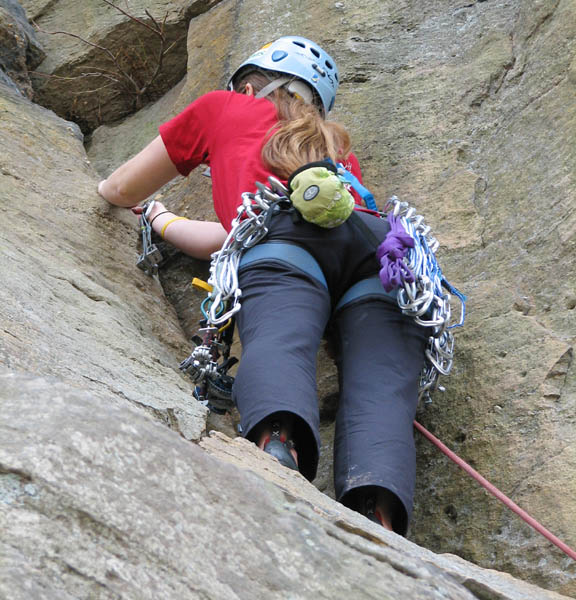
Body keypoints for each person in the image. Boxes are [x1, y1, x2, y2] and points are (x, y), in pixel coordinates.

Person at [98, 36, 427, 535]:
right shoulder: (335, 149)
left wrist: (150, 213)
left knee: (280, 337)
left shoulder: (222, 108)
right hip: (383, 253)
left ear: (250, 86)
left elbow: (125, 189)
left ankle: (278, 441)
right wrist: (169, 222)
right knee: (382, 389)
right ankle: (376, 510)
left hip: (282, 244)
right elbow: (250, 234)